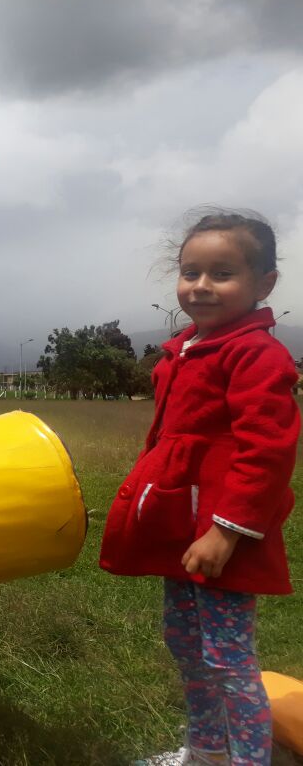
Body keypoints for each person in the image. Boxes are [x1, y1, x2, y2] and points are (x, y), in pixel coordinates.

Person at [99, 212, 299, 765]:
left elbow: (268, 451)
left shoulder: (255, 354)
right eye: (190, 272)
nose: (201, 286)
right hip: (181, 527)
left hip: (221, 535)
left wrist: (226, 531)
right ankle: (207, 752)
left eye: (222, 273)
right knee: (188, 648)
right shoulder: (186, 349)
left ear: (265, 284)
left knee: (228, 659)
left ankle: (247, 761)